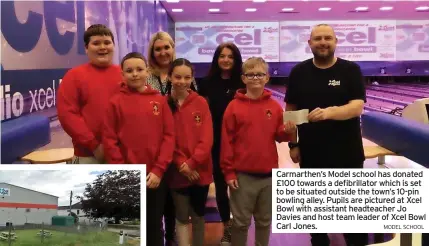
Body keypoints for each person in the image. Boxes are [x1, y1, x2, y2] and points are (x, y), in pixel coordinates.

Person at [284, 24, 368, 246]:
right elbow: (291, 112)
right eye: (318, 38)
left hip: (347, 152)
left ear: (335, 41)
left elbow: (357, 106)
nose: (323, 42)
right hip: (312, 152)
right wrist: (293, 144)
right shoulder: (298, 72)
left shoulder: (350, 70)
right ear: (309, 42)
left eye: (328, 38)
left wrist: (329, 112)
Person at [221, 57, 297, 246]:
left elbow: (279, 136)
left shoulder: (274, 106)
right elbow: (226, 142)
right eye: (251, 74)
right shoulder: (233, 107)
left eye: (260, 74)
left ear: (267, 78)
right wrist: (229, 172)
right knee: (240, 223)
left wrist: (288, 131)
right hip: (242, 176)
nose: (255, 78)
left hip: (269, 175)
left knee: (264, 222)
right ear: (243, 78)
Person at [102, 52, 175, 246]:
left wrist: (159, 170)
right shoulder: (115, 102)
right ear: (122, 74)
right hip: (129, 178)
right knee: (132, 226)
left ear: (147, 71)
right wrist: (126, 173)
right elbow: (110, 140)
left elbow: (169, 137)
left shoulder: (159, 101)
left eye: (139, 69)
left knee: (154, 225)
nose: (135, 74)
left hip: (155, 177)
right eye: (129, 70)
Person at [198, 42, 245, 244]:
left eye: (230, 56)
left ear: (236, 60)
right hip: (215, 143)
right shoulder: (207, 83)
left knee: (239, 188)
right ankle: (227, 226)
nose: (226, 60)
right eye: (222, 56)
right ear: (217, 59)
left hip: (240, 143)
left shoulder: (242, 84)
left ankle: (240, 225)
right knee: (220, 187)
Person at [57, 24, 122, 164]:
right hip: (88, 156)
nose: (103, 47)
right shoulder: (74, 76)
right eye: (96, 43)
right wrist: (94, 145)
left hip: (123, 154)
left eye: (107, 42)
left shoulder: (125, 75)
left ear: (114, 46)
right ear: (86, 48)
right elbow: (67, 115)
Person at [165, 58, 213, 246]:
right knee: (182, 216)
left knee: (198, 214)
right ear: (169, 77)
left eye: (187, 77)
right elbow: (167, 139)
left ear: (192, 78)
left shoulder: (201, 102)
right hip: (177, 171)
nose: (182, 81)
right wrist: (181, 165)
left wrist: (192, 163)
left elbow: (206, 138)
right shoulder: (164, 104)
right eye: (177, 77)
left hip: (199, 170)